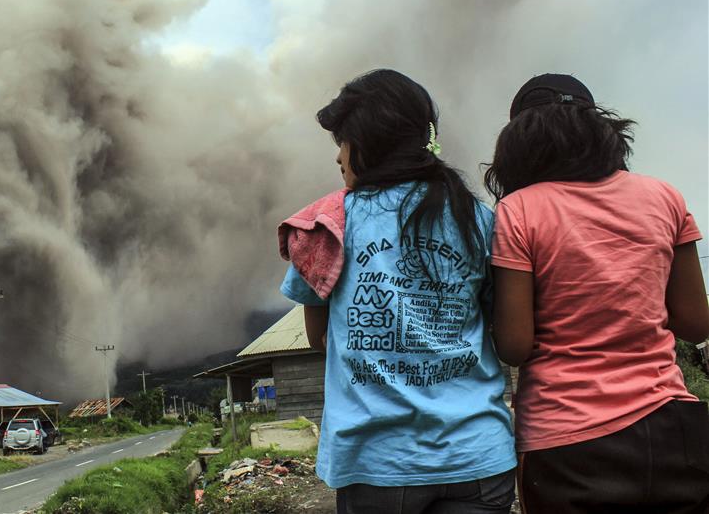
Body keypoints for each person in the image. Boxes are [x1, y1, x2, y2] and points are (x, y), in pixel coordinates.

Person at [279, 69, 517, 514]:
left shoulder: (330, 224)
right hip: (477, 456)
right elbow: (499, 327)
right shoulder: (479, 219)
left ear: (370, 143)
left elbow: (320, 338)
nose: (338, 159)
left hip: (376, 463)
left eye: (343, 144)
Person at [486, 73, 709, 514]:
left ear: (519, 141)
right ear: (601, 129)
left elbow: (513, 346)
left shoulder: (519, 210)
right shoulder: (665, 196)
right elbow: (694, 322)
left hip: (569, 444)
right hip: (674, 429)